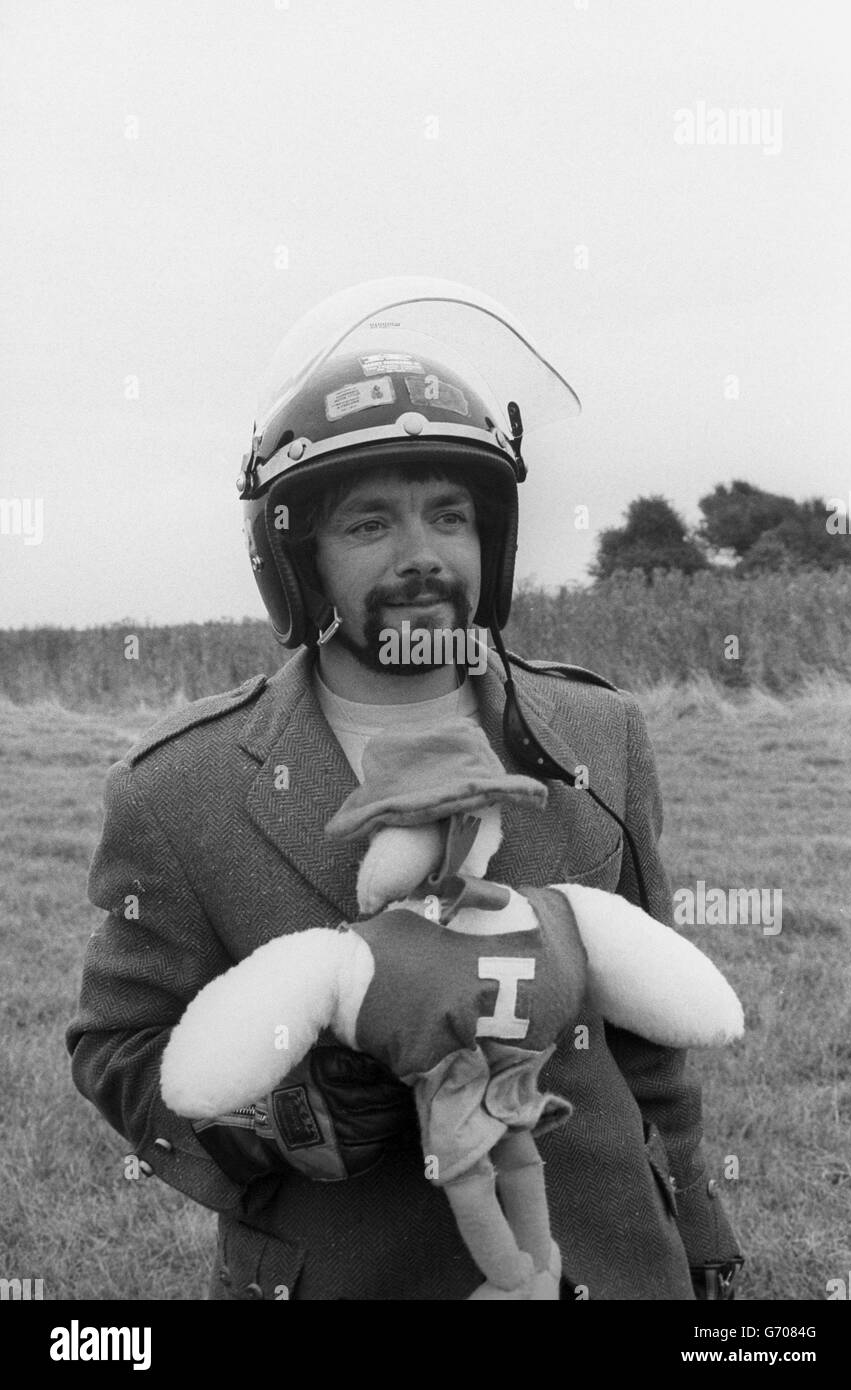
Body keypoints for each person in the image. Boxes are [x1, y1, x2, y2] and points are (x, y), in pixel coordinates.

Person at [68, 278, 744, 1301]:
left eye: (448, 514)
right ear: (295, 557)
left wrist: (696, 1230)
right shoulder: (177, 790)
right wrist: (282, 1117)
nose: (421, 555)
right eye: (370, 522)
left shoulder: (598, 735)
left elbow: (646, 1046)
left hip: (606, 1268)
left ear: (493, 540)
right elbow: (117, 1047)